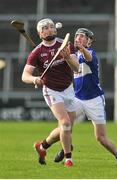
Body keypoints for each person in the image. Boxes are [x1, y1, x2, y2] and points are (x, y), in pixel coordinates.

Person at [54, 28, 117, 166]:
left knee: (100, 138)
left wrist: (81, 49)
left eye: (83, 37)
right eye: (77, 36)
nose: (79, 38)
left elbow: (88, 57)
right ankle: (65, 151)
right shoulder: (72, 56)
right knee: (65, 125)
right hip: (78, 99)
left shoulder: (90, 53)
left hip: (95, 100)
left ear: (89, 41)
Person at [21, 18, 79, 167]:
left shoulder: (65, 45)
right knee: (65, 124)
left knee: (66, 129)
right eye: (45, 28)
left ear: (55, 30)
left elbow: (77, 68)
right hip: (51, 90)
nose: (49, 29)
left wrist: (66, 57)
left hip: (68, 88)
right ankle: (68, 159)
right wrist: (34, 80)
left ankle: (42, 147)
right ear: (40, 33)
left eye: (51, 27)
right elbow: (25, 76)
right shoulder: (36, 52)